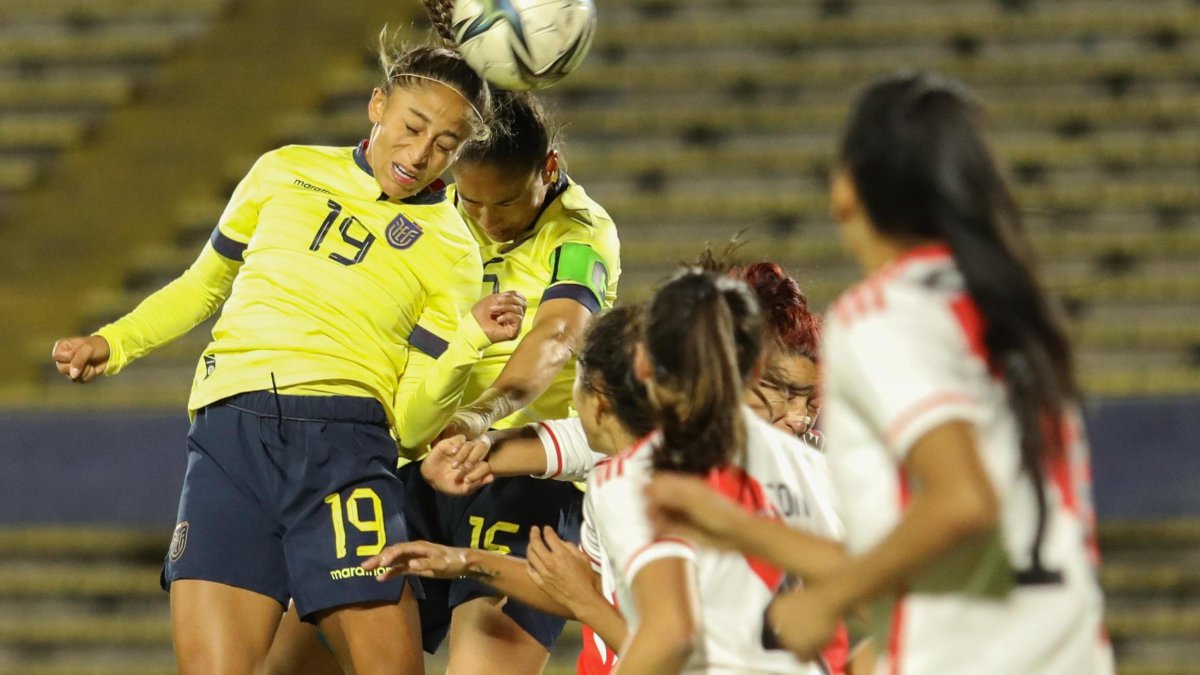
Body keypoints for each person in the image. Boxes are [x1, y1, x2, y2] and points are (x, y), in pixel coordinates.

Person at [49, 32, 524, 675]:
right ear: (377, 105)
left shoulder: (453, 250)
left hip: (343, 453)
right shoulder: (282, 169)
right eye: (412, 128)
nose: (420, 155)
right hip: (228, 440)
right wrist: (117, 341)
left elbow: (411, 427)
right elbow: (203, 286)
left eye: (445, 145)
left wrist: (469, 341)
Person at [649, 72, 1114, 675]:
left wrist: (826, 601)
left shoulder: (883, 314)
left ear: (847, 191)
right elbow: (952, 541)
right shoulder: (1016, 310)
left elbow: (961, 501)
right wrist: (743, 530)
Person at [264, 89, 621, 674]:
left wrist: (478, 420)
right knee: (288, 665)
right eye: (470, 201)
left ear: (549, 169)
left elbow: (556, 337)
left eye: (502, 203)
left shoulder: (580, 235)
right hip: (418, 466)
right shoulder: (435, 210)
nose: (483, 220)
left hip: (520, 477)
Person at [375, 269, 843, 674]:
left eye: (807, 399)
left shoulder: (647, 479)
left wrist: (586, 602)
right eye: (779, 392)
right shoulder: (681, 459)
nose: (798, 417)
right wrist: (464, 555)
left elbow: (674, 644)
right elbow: (634, 594)